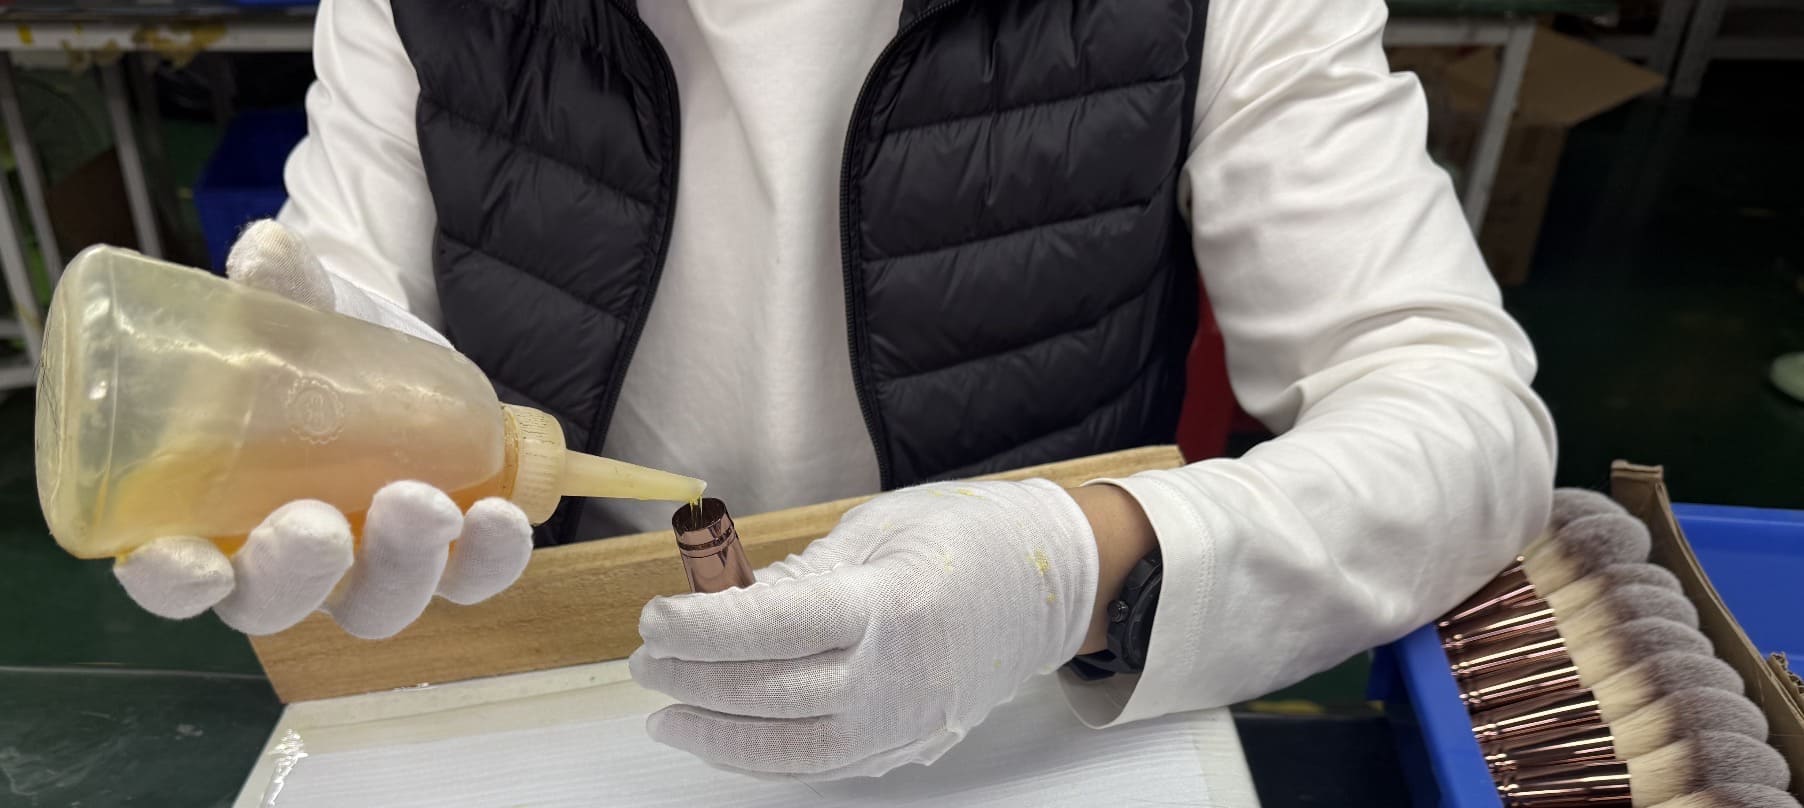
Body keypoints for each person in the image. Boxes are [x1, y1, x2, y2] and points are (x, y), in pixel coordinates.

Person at [115, 0, 1555, 781]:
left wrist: (1071, 571)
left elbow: (1462, 419)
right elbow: (336, 301)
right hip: (568, 710)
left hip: (1033, 722)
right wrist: (324, 410)